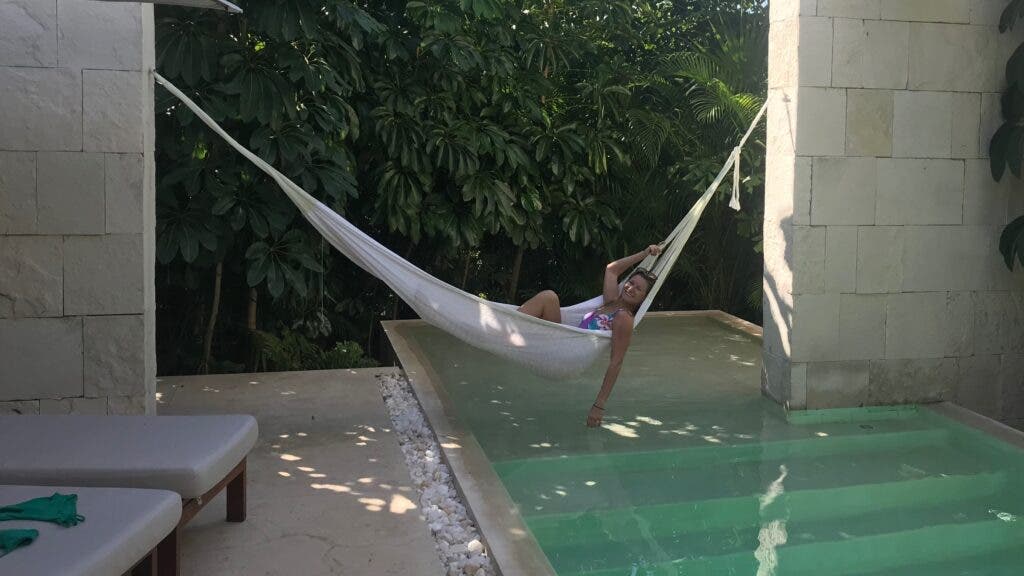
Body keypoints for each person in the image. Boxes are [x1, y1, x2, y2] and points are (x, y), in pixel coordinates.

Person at [517, 245, 662, 427]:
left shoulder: (623, 318)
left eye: (638, 289)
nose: (631, 288)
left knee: (549, 297)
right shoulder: (611, 301)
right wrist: (644, 253)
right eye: (631, 282)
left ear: (643, 299)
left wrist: (599, 405)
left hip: (566, 357)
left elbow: (616, 361)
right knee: (550, 298)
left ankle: (509, 327)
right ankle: (508, 325)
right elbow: (611, 269)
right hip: (561, 344)